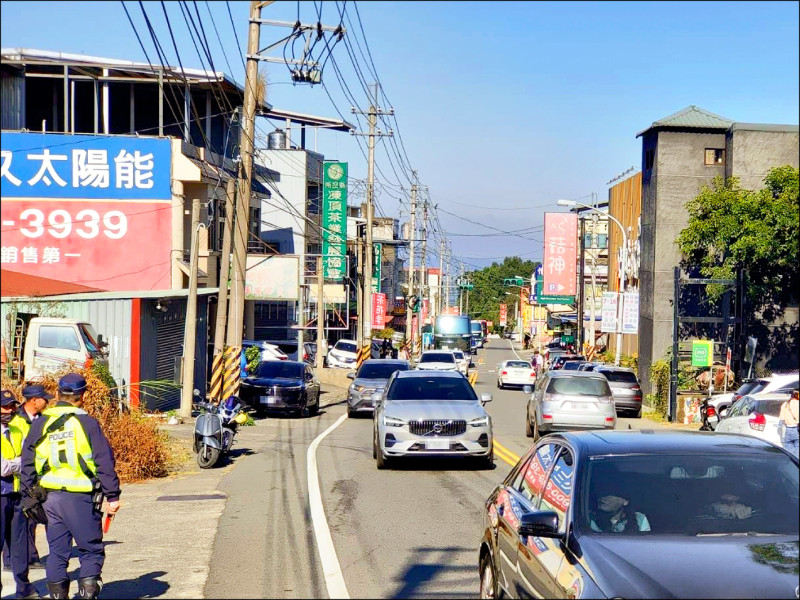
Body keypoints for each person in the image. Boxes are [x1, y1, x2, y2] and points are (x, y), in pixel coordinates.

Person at [20, 373, 121, 600]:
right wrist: (112, 496)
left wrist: (27, 493)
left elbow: (27, 459)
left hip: (49, 499)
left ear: (57, 394)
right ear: (83, 396)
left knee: (57, 552)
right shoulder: (87, 423)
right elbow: (104, 461)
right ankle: (87, 594)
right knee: (90, 549)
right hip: (81, 498)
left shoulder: (41, 423)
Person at [4, 384, 52, 571]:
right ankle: (12, 560)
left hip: (40, 476)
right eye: (43, 398)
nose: (47, 401)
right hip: (18, 478)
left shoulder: (45, 419)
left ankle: (30, 556)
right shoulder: (16, 422)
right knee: (16, 521)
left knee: (33, 518)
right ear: (33, 400)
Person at [1, 389, 38, 598]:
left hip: (17, 493)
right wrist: (20, 463)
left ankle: (24, 588)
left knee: (20, 545)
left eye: (13, 406)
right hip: (1, 494)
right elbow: (2, 468)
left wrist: (16, 464)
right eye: (5, 406)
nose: (10, 410)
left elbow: (29, 459)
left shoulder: (16, 431)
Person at [778, 390, 799, 458]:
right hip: (798, 429)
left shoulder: (785, 404)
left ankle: (792, 461)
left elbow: (782, 419)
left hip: (788, 429)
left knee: (788, 448)